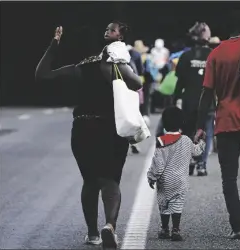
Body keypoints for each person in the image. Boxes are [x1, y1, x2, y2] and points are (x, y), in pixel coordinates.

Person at [35, 21, 142, 248]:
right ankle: (110, 226)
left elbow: (42, 74)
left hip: (81, 129)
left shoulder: (80, 67)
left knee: (90, 181)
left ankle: (92, 234)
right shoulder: (114, 65)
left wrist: (54, 45)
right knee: (110, 180)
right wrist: (122, 69)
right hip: (109, 129)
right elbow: (137, 83)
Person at [195, 26, 240, 239]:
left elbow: (207, 92)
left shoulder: (215, 54)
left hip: (226, 122)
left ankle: (237, 228)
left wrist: (199, 126)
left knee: (229, 177)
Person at [147, 106, 206, 241]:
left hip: (165, 181)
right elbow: (196, 152)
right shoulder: (186, 140)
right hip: (181, 181)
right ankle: (176, 229)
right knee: (177, 204)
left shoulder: (161, 141)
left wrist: (152, 176)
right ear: (182, 123)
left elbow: (158, 164)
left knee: (164, 204)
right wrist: (202, 141)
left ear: (165, 124)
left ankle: (164, 229)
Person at [173, 22, 215, 176]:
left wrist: (174, 100)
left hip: (189, 100)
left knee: (189, 131)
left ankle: (190, 160)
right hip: (208, 102)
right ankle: (202, 164)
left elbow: (180, 83)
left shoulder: (185, 56)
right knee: (206, 132)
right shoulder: (213, 56)